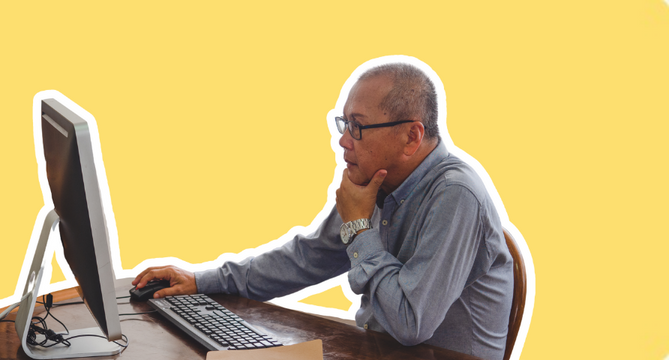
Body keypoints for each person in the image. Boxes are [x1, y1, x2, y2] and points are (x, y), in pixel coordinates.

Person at [133, 60, 514, 360]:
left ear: (411, 136)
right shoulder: (377, 183)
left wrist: (359, 228)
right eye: (343, 124)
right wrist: (202, 281)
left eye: (358, 127)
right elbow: (305, 259)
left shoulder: (457, 196)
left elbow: (410, 323)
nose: (344, 141)